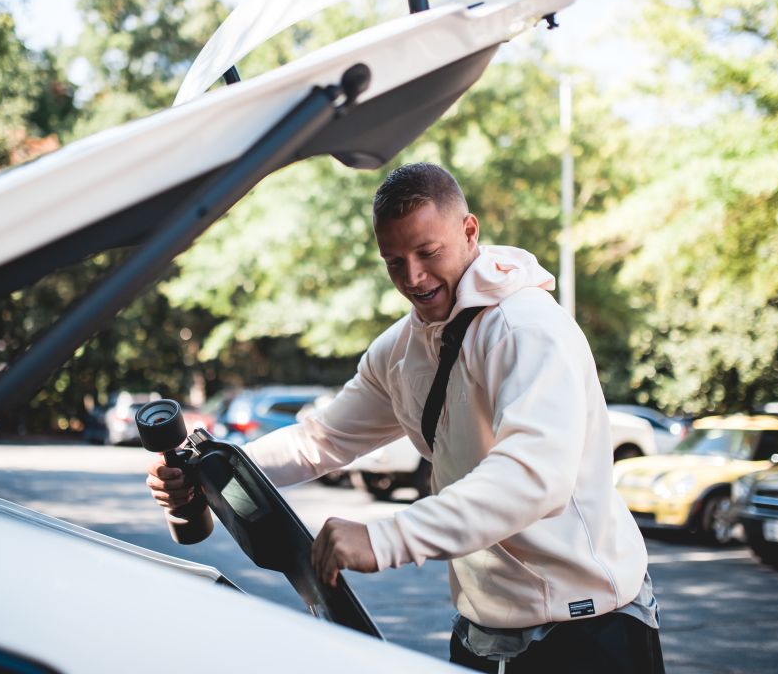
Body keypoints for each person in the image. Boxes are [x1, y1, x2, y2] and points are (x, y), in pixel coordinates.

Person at [147, 163, 664, 672]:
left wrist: (385, 537)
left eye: (427, 252)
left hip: (590, 629)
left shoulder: (525, 329)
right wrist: (210, 471)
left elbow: (531, 477)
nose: (413, 278)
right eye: (394, 261)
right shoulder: (401, 348)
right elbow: (320, 440)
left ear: (469, 231)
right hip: (483, 632)